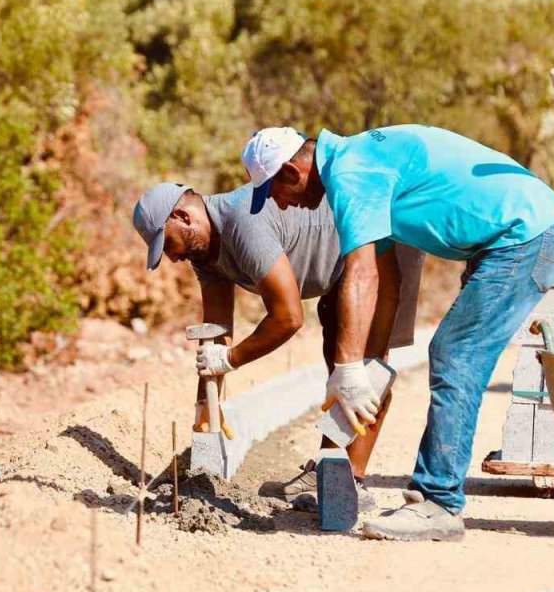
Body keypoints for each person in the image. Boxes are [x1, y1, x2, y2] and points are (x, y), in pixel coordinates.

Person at [241, 125, 554, 541]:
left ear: (291, 171)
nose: (283, 206)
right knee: (454, 354)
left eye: (274, 193)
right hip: (514, 235)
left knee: (456, 355)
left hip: (524, 235)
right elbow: (385, 277)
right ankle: (432, 498)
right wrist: (370, 365)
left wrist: (345, 369)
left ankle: (440, 504)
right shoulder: (357, 162)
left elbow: (359, 275)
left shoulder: (350, 175)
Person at [131, 181, 423, 510]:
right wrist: (204, 403)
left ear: (182, 215)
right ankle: (329, 469)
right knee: (336, 359)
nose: (172, 258)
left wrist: (230, 359)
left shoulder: (243, 223)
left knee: (365, 371)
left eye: (168, 244)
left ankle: (352, 482)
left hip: (379, 247)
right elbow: (216, 329)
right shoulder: (204, 254)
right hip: (337, 271)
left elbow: (288, 318)